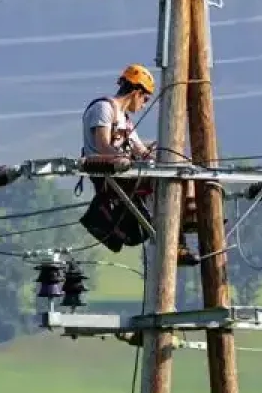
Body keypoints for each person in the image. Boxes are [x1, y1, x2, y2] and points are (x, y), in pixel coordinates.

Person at [78, 64, 197, 259]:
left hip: (126, 172)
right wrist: (127, 159)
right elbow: (103, 146)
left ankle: (188, 215)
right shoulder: (103, 108)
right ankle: (176, 240)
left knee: (179, 169)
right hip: (108, 173)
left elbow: (140, 151)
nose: (143, 105)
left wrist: (165, 158)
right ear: (136, 92)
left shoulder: (126, 121)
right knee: (166, 183)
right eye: (145, 99)